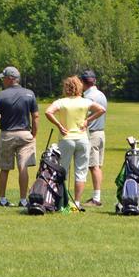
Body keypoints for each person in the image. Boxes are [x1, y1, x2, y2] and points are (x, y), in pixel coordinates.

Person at [45, 76, 106, 210]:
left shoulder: (61, 102)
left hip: (66, 139)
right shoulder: (85, 101)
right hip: (82, 139)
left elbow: (48, 112)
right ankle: (77, 202)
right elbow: (102, 109)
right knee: (81, 172)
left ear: (66, 88)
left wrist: (59, 125)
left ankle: (61, 201)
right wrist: (87, 121)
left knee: (62, 171)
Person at [0, 66, 39, 207]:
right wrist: (34, 134)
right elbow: (35, 116)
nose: (2, 81)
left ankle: (2, 199)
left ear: (10, 79)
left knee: (4, 168)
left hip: (7, 134)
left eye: (3, 78)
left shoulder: (1, 95)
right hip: (25, 134)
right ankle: (23, 200)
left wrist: (1, 119)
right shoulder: (30, 94)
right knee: (23, 167)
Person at [80, 70, 108, 206]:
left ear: (83, 82)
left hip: (92, 134)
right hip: (101, 132)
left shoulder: (88, 97)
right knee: (97, 166)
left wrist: (86, 120)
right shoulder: (101, 94)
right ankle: (96, 195)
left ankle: (96, 198)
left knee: (93, 166)